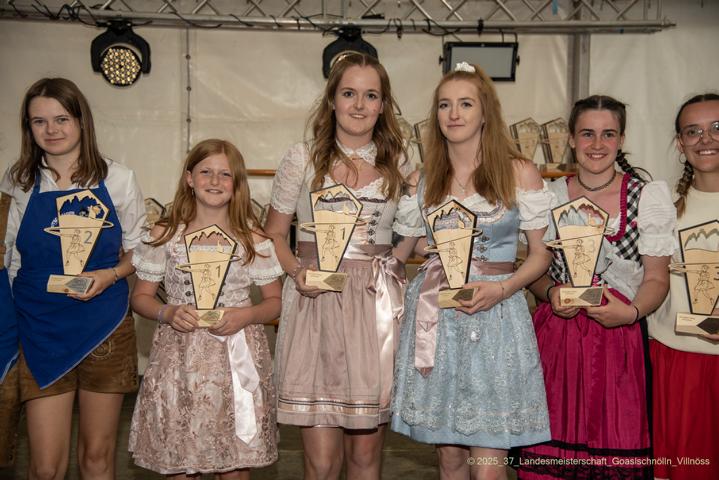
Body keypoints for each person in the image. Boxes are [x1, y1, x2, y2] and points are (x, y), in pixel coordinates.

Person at [391, 62, 554, 480]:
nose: (454, 113)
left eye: (465, 103)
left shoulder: (518, 172)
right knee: (449, 458)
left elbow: (540, 256)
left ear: (485, 113)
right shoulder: (423, 179)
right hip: (439, 318)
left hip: (496, 317)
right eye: (444, 105)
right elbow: (408, 248)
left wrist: (503, 289)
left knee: (488, 462)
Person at [264, 52, 423, 480]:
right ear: (332, 99)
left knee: (366, 460)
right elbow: (273, 234)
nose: (359, 104)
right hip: (316, 302)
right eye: (349, 93)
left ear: (383, 105)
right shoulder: (302, 158)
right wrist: (297, 273)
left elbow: (411, 230)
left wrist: (398, 262)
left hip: (374, 307)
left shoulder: (399, 162)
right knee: (321, 463)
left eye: (371, 96)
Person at [517, 95, 677, 479]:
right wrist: (550, 292)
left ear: (621, 139)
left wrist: (632, 312)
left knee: (612, 447)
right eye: (587, 133)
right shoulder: (548, 196)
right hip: (558, 339)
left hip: (618, 340)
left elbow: (657, 278)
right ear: (572, 139)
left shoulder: (645, 197)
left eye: (608, 134)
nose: (597, 144)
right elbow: (534, 270)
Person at [0, 77, 145, 480]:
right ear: (28, 128)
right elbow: (8, 258)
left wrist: (111, 274)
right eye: (39, 121)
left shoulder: (118, 178)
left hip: (104, 327)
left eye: (61, 118)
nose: (51, 130)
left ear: (81, 120)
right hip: (38, 329)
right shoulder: (18, 182)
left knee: (97, 459)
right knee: (45, 467)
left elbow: (142, 251)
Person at [128, 139, 282, 478]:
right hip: (179, 358)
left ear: (237, 183)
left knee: (235, 463)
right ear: (189, 178)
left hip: (236, 357)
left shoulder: (252, 237)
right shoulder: (166, 234)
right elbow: (140, 297)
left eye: (225, 174)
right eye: (205, 172)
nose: (215, 181)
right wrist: (167, 312)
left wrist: (246, 315)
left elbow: (274, 301)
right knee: (182, 461)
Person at [648, 93, 719, 480]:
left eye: (717, 128)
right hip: (677, 362)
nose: (705, 139)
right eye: (693, 131)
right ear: (680, 143)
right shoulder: (662, 207)